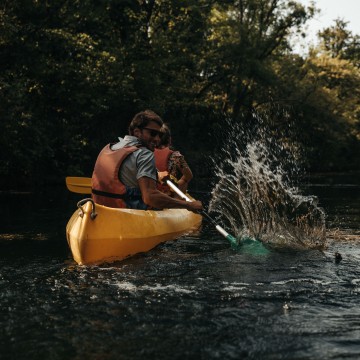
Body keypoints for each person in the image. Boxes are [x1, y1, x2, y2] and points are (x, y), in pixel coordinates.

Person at [91, 110, 202, 213]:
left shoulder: (109, 148)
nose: (157, 139)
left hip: (99, 211)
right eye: (153, 133)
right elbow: (150, 197)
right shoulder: (145, 154)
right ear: (137, 132)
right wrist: (188, 205)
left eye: (160, 135)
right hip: (126, 214)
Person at [154, 123, 193, 196]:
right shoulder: (176, 156)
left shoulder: (146, 153)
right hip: (168, 195)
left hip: (151, 193)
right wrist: (178, 185)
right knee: (185, 181)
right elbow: (189, 175)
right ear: (169, 139)